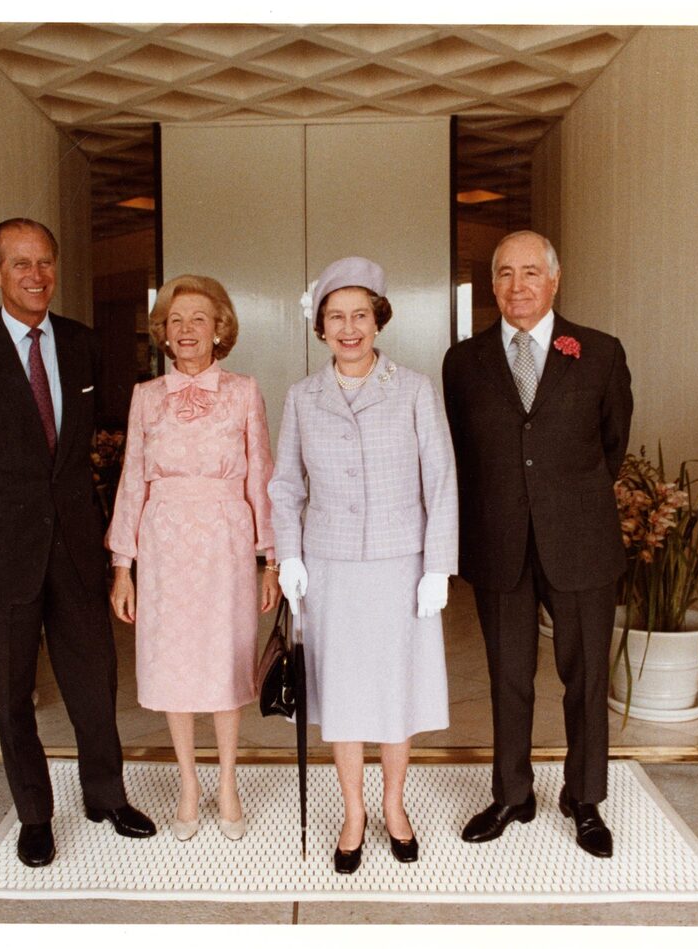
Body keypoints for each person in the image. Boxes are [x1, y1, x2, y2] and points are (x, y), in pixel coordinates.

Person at [0, 218, 155, 869]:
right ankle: (34, 815)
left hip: (76, 543)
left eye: (45, 261)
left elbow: (98, 430)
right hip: (3, 548)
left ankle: (106, 796)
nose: (36, 275)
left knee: (94, 680)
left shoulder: (82, 344)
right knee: (12, 688)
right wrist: (9, 495)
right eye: (20, 263)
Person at [442, 230, 633, 859]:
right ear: (492, 283)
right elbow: (464, 453)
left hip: (579, 540)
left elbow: (612, 445)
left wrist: (564, 500)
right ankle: (512, 795)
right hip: (498, 541)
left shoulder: (600, 353)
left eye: (530, 272)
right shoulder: (463, 362)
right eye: (505, 273)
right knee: (508, 677)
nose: (517, 285)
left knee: (586, 679)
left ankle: (585, 798)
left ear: (554, 279)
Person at [269, 257, 457, 873]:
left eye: (359, 315)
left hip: (402, 565)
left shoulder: (415, 389)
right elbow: (285, 486)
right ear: (320, 327)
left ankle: (394, 807)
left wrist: (438, 566)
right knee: (345, 696)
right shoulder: (302, 397)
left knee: (398, 691)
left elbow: (442, 481)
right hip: (331, 568)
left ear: (378, 320)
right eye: (335, 317)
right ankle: (354, 812)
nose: (348, 328)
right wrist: (289, 556)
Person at [106, 275, 280, 843]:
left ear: (219, 329)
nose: (186, 330)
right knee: (173, 664)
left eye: (198, 319)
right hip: (164, 543)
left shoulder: (244, 390)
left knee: (226, 661)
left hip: (226, 542)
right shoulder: (145, 396)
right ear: (162, 331)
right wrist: (123, 566)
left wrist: (271, 560)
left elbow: (262, 476)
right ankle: (187, 784)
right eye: (175, 320)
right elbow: (133, 478)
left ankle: (227, 783)